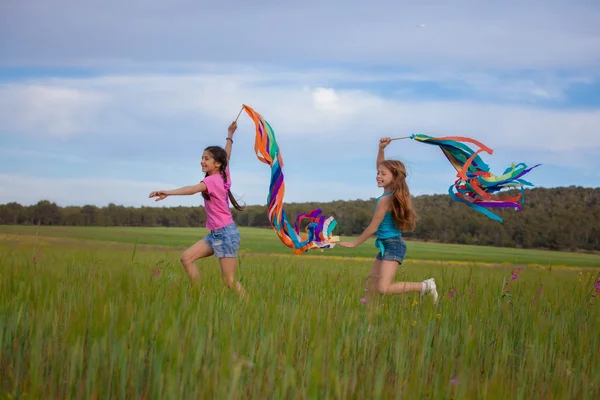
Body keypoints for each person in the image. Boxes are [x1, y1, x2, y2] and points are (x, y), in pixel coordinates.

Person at [149, 121, 248, 301]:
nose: (202, 161)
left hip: (225, 234)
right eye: (202, 157)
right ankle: (197, 297)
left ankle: (251, 309)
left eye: (206, 158)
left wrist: (168, 193)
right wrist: (230, 135)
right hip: (216, 234)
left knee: (229, 282)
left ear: (216, 164)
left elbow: (192, 189)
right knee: (186, 258)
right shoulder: (224, 175)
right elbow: (227, 156)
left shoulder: (211, 181)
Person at [337, 137, 438, 304]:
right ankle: (368, 323)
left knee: (383, 288)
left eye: (383, 174)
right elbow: (382, 166)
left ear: (394, 177)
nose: (378, 175)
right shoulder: (388, 194)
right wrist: (381, 149)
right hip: (386, 245)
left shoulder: (385, 200)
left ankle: (425, 286)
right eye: (378, 173)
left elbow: (372, 227)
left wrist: (354, 243)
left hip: (393, 245)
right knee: (370, 287)